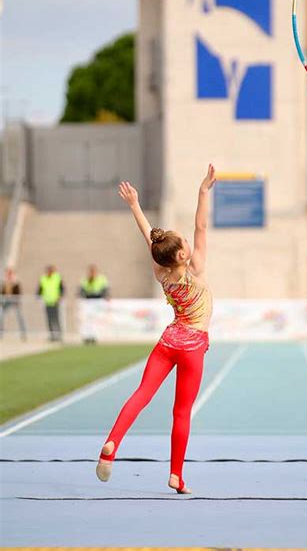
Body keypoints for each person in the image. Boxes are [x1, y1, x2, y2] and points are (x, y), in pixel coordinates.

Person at [96, 164, 216, 495]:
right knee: (181, 411)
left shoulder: (160, 272)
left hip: (168, 341)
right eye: (184, 243)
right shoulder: (195, 269)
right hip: (192, 345)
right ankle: (176, 474)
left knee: (141, 394)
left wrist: (135, 205)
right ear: (181, 253)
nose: (189, 242)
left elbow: (150, 237)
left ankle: (112, 443)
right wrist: (203, 191)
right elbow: (201, 225)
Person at [79, 265, 110, 344]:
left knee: (95, 319)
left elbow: (105, 289)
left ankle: (94, 336)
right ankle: (87, 336)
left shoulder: (101, 279)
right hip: (88, 301)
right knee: (87, 319)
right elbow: (81, 290)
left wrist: (104, 295)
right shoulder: (86, 280)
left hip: (97, 301)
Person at [36, 265, 65, 341]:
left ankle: (59, 335)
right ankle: (52, 335)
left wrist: (60, 296)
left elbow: (62, 289)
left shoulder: (57, 278)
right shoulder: (43, 278)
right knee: (49, 319)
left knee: (56, 319)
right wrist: (38, 296)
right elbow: (39, 290)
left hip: (55, 302)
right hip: (47, 302)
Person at [0, 267, 27, 340]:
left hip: (14, 301)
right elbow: (2, 292)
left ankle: (23, 333)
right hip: (6, 302)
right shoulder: (4, 282)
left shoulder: (16, 282)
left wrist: (18, 301)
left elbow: (18, 292)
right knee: (1, 315)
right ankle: (1, 333)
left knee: (19, 317)